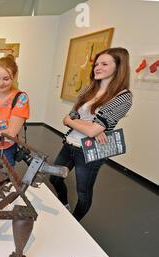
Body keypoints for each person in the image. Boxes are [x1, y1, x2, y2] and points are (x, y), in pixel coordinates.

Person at [50, 47, 133, 221]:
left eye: (104, 64)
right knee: (55, 177)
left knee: (83, 193)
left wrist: (77, 123)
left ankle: (74, 222)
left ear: (118, 68)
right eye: (96, 64)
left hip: (90, 151)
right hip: (70, 143)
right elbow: (71, 115)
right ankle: (64, 202)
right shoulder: (89, 89)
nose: (97, 67)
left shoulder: (123, 97)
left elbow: (85, 126)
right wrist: (88, 125)